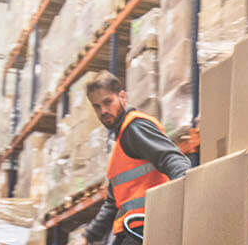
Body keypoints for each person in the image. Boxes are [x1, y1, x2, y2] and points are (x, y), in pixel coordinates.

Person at [74, 74, 191, 245]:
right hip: (132, 229)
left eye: (108, 102)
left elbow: (172, 159)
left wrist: (187, 202)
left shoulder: (135, 127)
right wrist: (88, 236)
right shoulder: (121, 143)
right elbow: (113, 202)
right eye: (97, 106)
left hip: (146, 227)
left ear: (122, 97)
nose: (103, 111)